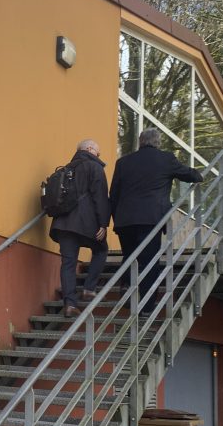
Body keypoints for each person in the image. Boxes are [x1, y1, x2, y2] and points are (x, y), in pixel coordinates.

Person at [109, 127, 203, 309]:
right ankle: (146, 305)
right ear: (158, 142)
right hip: (151, 219)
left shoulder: (123, 162)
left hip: (125, 220)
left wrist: (116, 218)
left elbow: (113, 194)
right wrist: (199, 175)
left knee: (130, 256)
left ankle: (127, 286)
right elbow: (190, 175)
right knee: (149, 261)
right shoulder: (166, 159)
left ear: (140, 141)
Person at [48, 139, 110, 317]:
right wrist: (103, 224)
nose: (99, 156)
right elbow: (100, 198)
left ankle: (69, 304)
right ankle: (89, 288)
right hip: (85, 223)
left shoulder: (66, 168)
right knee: (101, 250)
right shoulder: (94, 167)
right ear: (89, 149)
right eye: (98, 153)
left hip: (63, 224)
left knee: (68, 263)